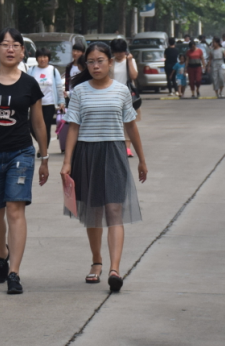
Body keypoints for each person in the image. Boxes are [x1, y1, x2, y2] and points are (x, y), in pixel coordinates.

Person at [61, 42, 147, 294]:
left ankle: (115, 269)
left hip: (114, 153)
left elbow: (131, 126)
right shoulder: (79, 91)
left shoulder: (121, 91)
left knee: (114, 210)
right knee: (94, 211)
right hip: (86, 154)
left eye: (100, 60)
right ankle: (97, 261)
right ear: (85, 65)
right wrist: (67, 162)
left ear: (110, 62)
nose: (96, 66)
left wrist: (142, 159)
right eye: (91, 62)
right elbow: (73, 127)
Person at [0, 29, 49, 296]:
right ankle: (2, 254)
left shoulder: (29, 84)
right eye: (5, 44)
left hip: (21, 153)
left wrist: (45, 156)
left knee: (15, 209)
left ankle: (14, 272)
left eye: (16, 45)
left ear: (23, 51)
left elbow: (38, 122)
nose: (10, 49)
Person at [109, 38, 140, 156]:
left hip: (127, 96)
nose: (118, 54)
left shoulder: (129, 60)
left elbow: (134, 75)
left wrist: (130, 61)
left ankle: (127, 148)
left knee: (127, 122)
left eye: (120, 51)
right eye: (116, 51)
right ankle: (115, 146)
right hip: (111, 95)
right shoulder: (110, 62)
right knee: (114, 122)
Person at [30, 49, 66, 141]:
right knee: (31, 127)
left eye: (45, 57)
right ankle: (42, 144)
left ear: (48, 58)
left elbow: (59, 87)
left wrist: (61, 101)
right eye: (40, 57)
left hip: (49, 104)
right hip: (34, 104)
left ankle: (44, 151)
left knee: (46, 127)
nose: (42, 59)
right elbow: (26, 87)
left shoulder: (53, 70)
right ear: (37, 58)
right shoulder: (31, 70)